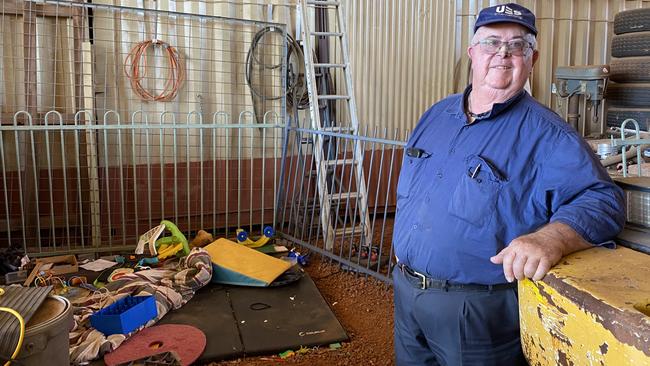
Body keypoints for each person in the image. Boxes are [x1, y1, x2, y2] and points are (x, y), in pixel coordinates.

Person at [391, 3, 625, 365]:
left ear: (532, 59)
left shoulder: (548, 136)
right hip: (407, 295)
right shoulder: (436, 116)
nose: (503, 53)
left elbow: (603, 200)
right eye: (491, 42)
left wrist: (551, 238)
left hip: (476, 314)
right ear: (472, 53)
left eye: (517, 45)